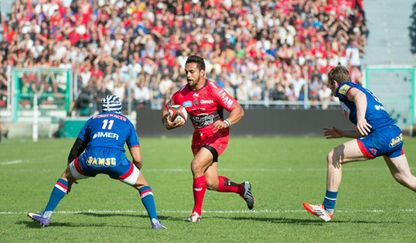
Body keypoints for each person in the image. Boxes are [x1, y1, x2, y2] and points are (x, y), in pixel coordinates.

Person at [303, 66, 416, 222]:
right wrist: (343, 133)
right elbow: (365, 131)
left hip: (382, 137)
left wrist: (361, 117)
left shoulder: (345, 88)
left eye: (330, 84)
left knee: (334, 156)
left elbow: (359, 96)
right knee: (405, 177)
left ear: (335, 83)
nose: (330, 88)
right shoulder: (355, 89)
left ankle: (327, 208)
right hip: (394, 134)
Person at [28, 95, 166, 229]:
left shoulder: (92, 120)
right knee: (143, 185)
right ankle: (155, 222)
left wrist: (70, 173)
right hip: (116, 161)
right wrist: (136, 170)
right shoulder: (126, 122)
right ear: (119, 108)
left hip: (90, 159)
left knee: (65, 177)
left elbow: (77, 148)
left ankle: (46, 215)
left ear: (102, 108)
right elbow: (137, 158)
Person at [161, 55, 254, 223]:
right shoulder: (182, 94)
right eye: (186, 72)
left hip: (217, 137)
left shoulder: (214, 90)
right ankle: (242, 188)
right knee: (210, 182)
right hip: (198, 138)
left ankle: (196, 213)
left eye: (192, 72)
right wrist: (169, 123)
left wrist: (225, 122)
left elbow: (238, 110)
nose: (188, 75)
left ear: (202, 72)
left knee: (196, 166)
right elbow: (166, 111)